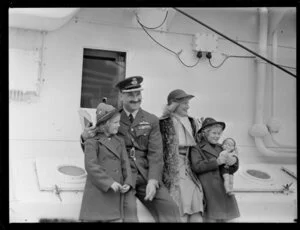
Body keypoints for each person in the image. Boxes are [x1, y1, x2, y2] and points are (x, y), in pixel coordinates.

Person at [81, 76, 181, 222]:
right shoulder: (112, 117)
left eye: (138, 94)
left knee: (170, 208)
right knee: (129, 213)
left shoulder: (151, 120)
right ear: (121, 96)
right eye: (130, 95)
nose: (136, 99)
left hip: (146, 174)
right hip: (123, 174)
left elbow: (156, 154)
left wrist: (153, 180)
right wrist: (84, 137)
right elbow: (97, 142)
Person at [79, 103, 138, 222]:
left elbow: (125, 164)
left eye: (119, 122)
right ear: (106, 124)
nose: (119, 125)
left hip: (115, 192)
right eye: (115, 122)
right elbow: (91, 167)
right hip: (98, 192)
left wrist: (128, 182)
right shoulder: (92, 141)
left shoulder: (119, 141)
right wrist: (109, 182)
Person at [159, 89, 204, 222]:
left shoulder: (193, 122)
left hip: (190, 169)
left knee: (196, 207)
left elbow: (202, 143)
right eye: (184, 103)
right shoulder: (163, 122)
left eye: (188, 103)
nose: (188, 106)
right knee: (180, 209)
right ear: (174, 104)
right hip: (173, 170)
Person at [190, 117, 240, 222]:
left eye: (219, 134)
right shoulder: (196, 148)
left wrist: (234, 161)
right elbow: (196, 166)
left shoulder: (221, 147)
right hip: (209, 188)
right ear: (205, 133)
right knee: (212, 218)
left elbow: (231, 168)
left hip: (223, 187)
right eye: (214, 133)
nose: (217, 136)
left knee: (228, 218)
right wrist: (216, 162)